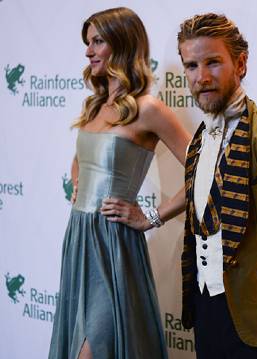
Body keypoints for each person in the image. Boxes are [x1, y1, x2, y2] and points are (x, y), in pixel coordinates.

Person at [116, 12, 257, 359]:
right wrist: (152, 218)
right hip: (208, 310)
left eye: (213, 63)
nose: (201, 77)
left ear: (241, 63)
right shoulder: (200, 142)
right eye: (191, 66)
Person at [48, 7, 190, 359]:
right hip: (80, 237)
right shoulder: (94, 106)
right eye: (88, 42)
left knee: (96, 348)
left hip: (115, 244)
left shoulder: (149, 109)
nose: (88, 51)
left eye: (97, 41)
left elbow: (205, 169)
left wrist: (152, 217)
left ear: (122, 44)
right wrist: (79, 181)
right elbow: (81, 158)